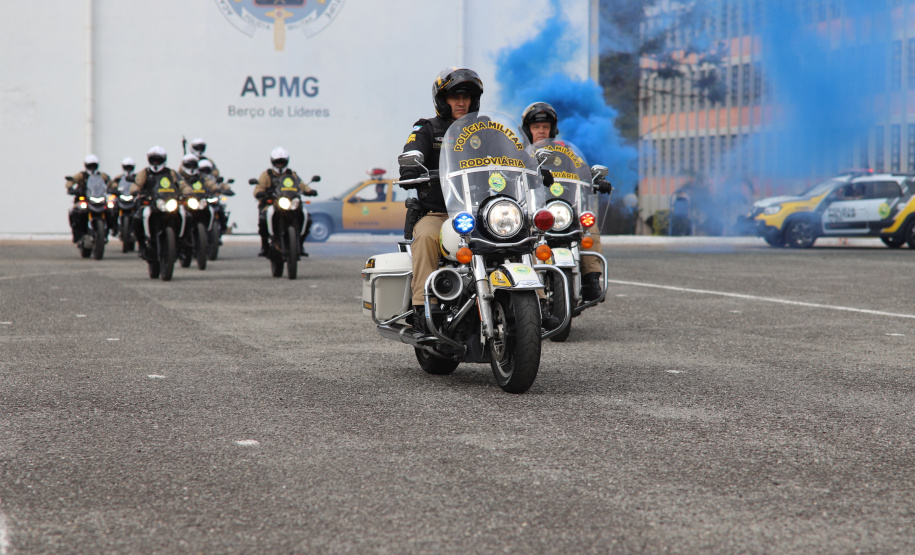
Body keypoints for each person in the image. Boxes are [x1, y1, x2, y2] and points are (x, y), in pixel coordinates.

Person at [521, 101, 612, 302]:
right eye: (536, 127)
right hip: (534, 210)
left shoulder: (565, 150)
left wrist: (597, 180)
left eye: (545, 127)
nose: (541, 131)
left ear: (552, 129)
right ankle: (529, 288)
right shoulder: (521, 153)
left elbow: (582, 170)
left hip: (563, 209)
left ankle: (591, 278)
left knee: (589, 224)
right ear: (528, 130)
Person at [253, 147, 317, 257]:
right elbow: (258, 187)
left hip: (290, 202)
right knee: (263, 219)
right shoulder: (266, 175)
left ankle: (300, 244)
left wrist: (309, 190)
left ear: (286, 162)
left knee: (307, 218)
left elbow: (301, 185)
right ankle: (264, 246)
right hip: (272, 203)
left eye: (282, 162)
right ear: (272, 162)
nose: (279, 164)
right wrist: (259, 193)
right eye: (277, 162)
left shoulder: (292, 174)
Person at [129, 146, 184, 259]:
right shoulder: (145, 172)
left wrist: (187, 192)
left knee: (186, 216)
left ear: (164, 160)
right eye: (153, 159)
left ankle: (181, 244)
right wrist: (135, 191)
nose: (156, 162)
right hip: (150, 203)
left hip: (168, 202)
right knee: (137, 218)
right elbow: (137, 184)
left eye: (158, 159)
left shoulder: (171, 173)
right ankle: (141, 244)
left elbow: (182, 184)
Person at [66, 154, 110, 242]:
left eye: (94, 165)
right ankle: (77, 233)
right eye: (90, 165)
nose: (92, 167)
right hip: (84, 198)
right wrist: (70, 188)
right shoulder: (81, 175)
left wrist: (114, 188)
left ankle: (107, 231)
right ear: (86, 165)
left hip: (98, 198)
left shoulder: (102, 175)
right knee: (75, 212)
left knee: (110, 210)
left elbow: (110, 182)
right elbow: (71, 181)